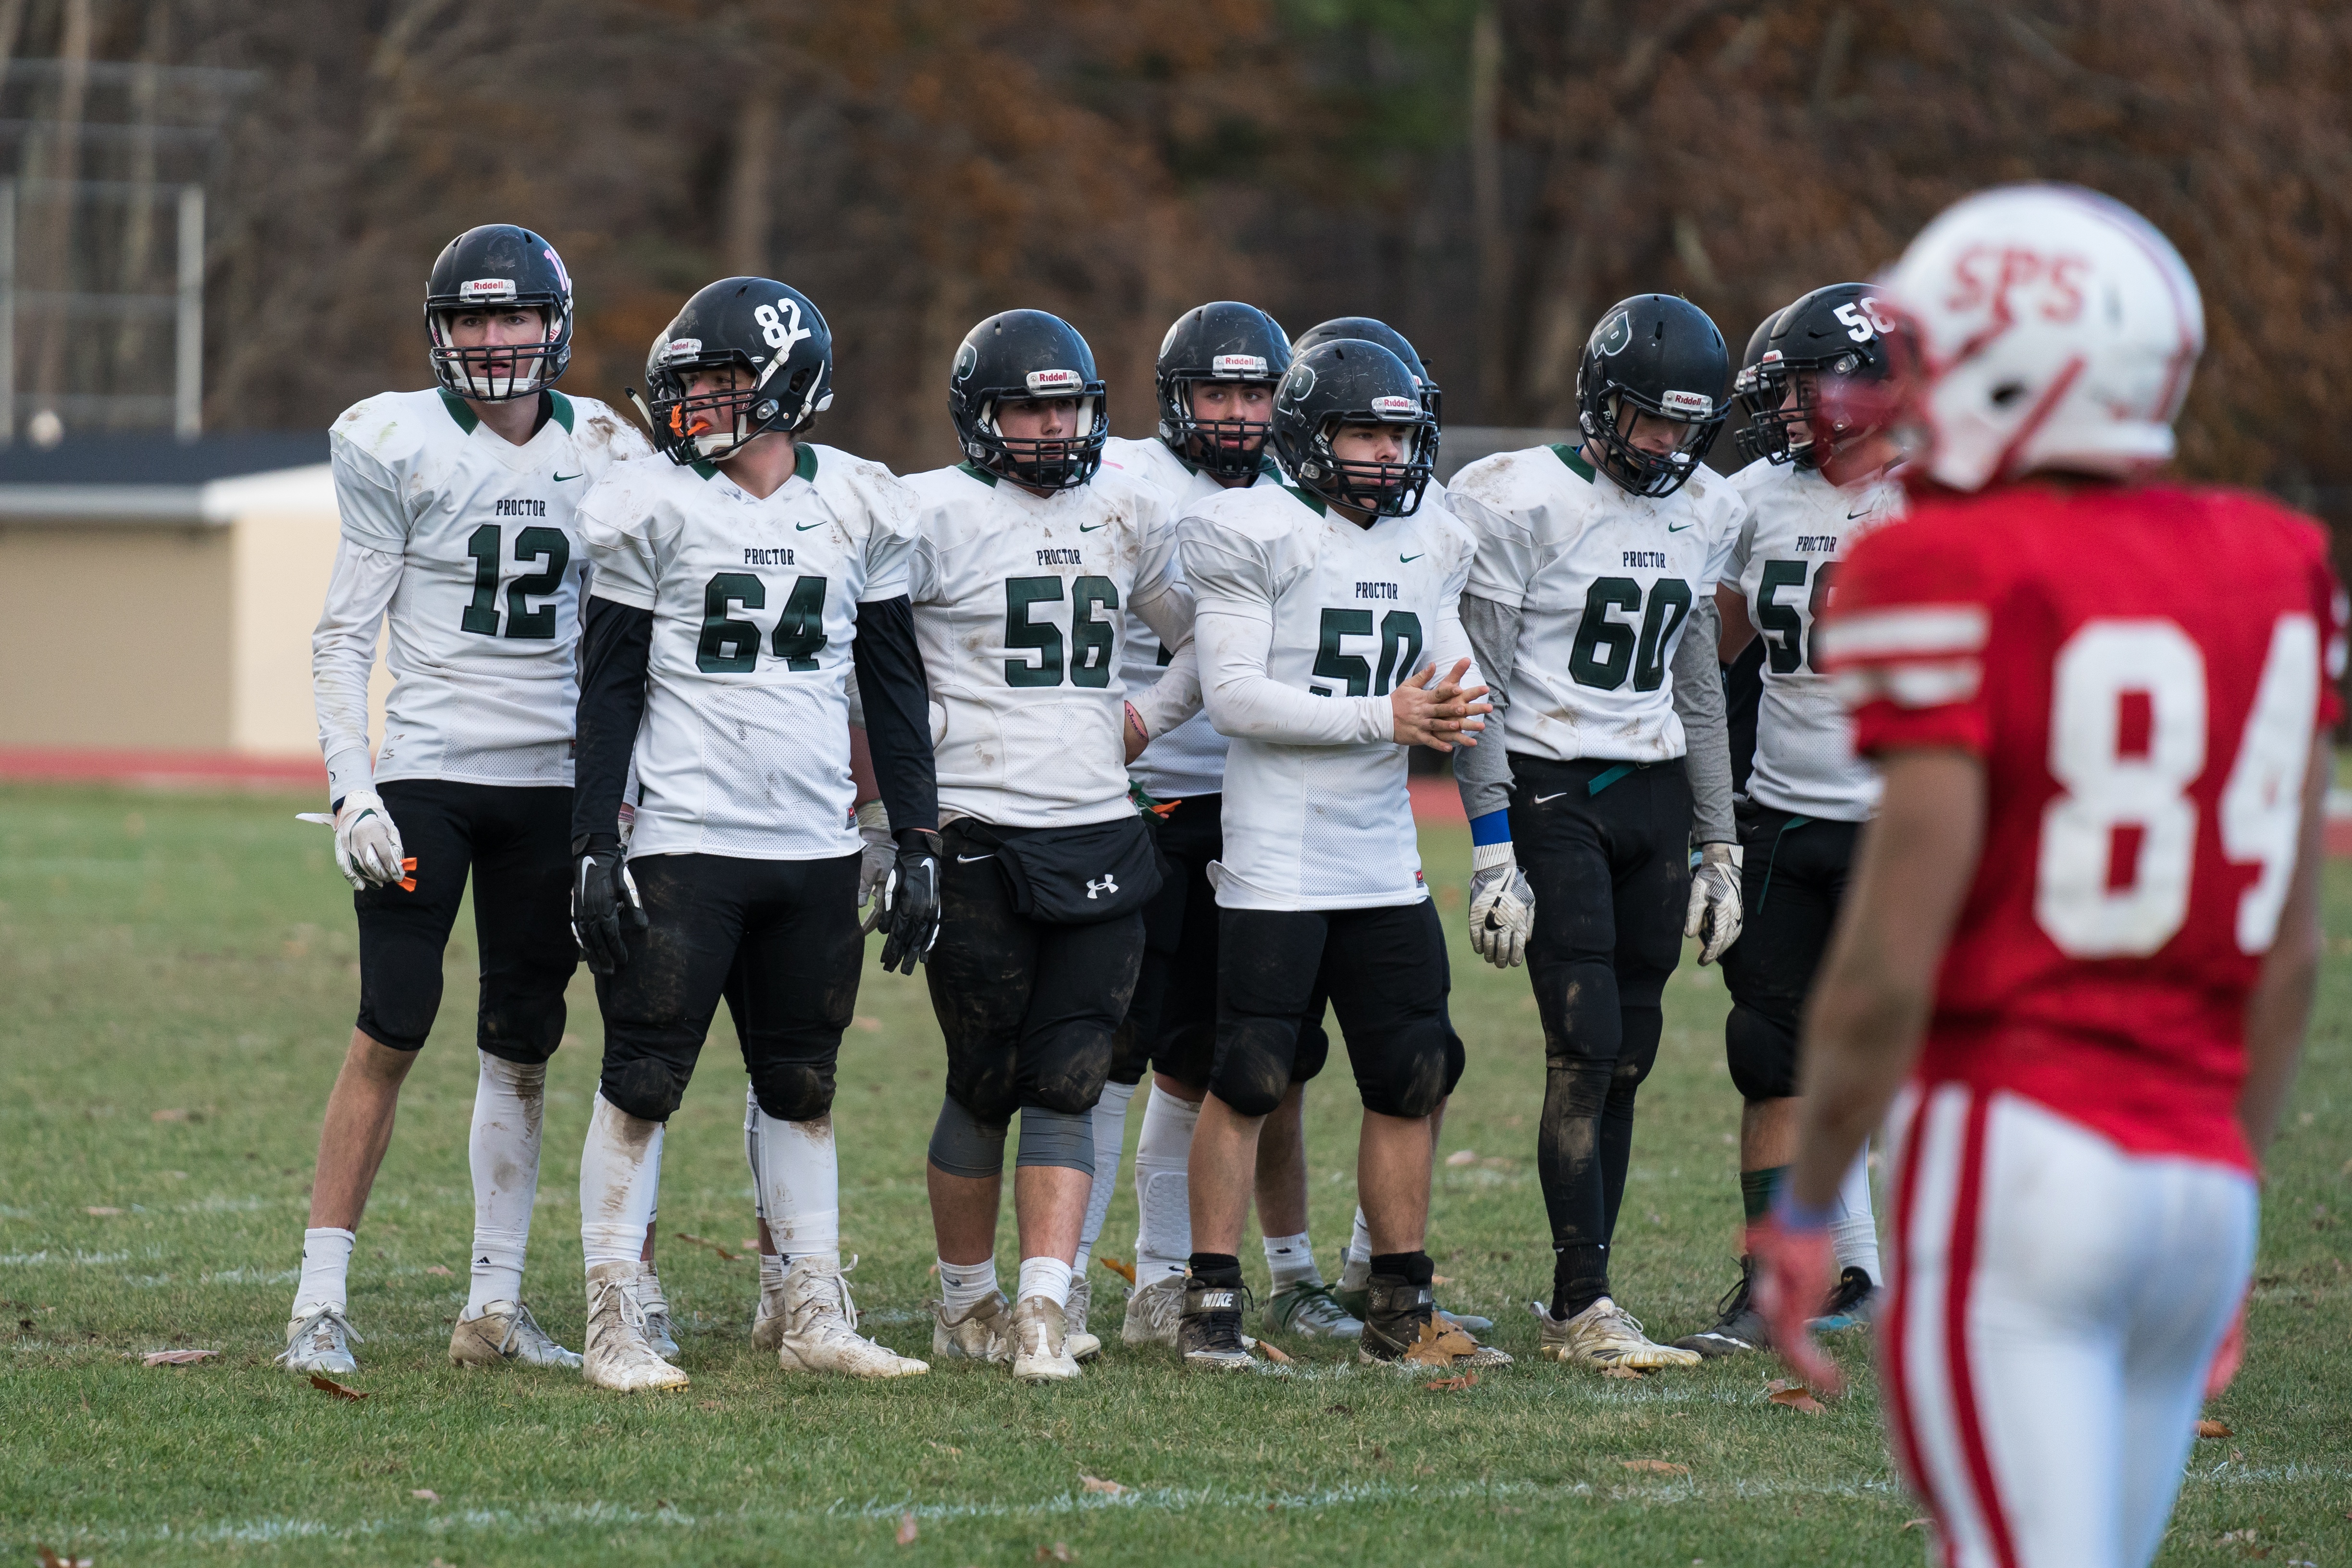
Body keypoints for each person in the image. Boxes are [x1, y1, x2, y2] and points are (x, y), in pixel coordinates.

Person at [1752, 184, 2340, 1568]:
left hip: (2017, 1158)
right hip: (2196, 1178)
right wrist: (2232, 1203)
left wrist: (1802, 1206)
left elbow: (1891, 960)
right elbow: (2291, 955)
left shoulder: (1948, 565)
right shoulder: (2280, 563)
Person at [567, 278, 942, 1391]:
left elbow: (892, 688)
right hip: (685, 838)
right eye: (691, 384)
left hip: (813, 844)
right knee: (641, 1078)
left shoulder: (862, 504)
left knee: (803, 1082)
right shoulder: (652, 505)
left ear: (789, 384)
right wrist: (595, 839)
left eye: (724, 381)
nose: (698, 404)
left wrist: (912, 835)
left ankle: (811, 1306)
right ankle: (612, 1320)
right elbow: (609, 689)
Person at [286, 224, 645, 1376]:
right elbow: (344, 635)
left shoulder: (604, 445)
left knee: (523, 1042)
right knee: (390, 1024)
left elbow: (632, 639)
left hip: (551, 781)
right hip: (431, 772)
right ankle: (318, 1301)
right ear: (440, 332)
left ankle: (492, 1305)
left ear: (557, 324)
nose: (495, 341)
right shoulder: (393, 442)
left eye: (515, 318)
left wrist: (625, 792)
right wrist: (352, 792)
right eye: (473, 320)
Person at [1175, 336, 1508, 1372]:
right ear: (1311, 437)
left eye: (1400, 434)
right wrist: (1386, 716)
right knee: (1250, 1075)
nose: (1386, 454)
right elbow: (1231, 697)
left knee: (1412, 1070)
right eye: (1365, 432)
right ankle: (1211, 1302)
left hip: (1381, 855)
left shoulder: (1429, 535)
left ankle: (1399, 1308)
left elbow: (1453, 678)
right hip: (1277, 852)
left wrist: (1493, 827)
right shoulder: (1252, 529)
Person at [1446, 293, 1745, 1370]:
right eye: (1644, 419)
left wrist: (1720, 844)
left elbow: (1698, 687)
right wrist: (1489, 845)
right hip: (1547, 780)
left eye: (1682, 425)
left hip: (1654, 793)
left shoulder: (1708, 508)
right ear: (1596, 403)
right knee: (1583, 1046)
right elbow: (1471, 679)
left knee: (1632, 1053)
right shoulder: (1517, 499)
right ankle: (1582, 1302)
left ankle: (1591, 1285)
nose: (1663, 444)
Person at [907, 309, 1201, 1383]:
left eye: (1066, 404)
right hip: (977, 830)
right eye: (1026, 406)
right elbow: (874, 673)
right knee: (984, 1076)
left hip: (1097, 824)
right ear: (979, 418)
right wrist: (891, 819)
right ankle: (961, 1300)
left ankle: (1039, 1306)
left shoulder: (1126, 506)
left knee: (1071, 1075)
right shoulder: (927, 513)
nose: (1048, 426)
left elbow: (1208, 632)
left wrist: (1144, 719)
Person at [1082, 301, 1368, 1346]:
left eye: (1257, 392)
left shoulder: (1307, 481)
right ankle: (1064, 1274)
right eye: (1220, 392)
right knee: (1104, 1048)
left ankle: (1164, 1278)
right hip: (1131, 794)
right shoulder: (1121, 482)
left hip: (1251, 804)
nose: (1241, 414)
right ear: (1176, 398)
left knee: (1211, 1057)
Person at [1673, 284, 1908, 1358]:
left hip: (1900, 820)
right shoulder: (1752, 500)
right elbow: (1713, 660)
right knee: (1768, 1051)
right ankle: (1784, 1278)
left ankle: (1900, 1271)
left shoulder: (1941, 498)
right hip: (1780, 812)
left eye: (1803, 387)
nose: (1784, 412)